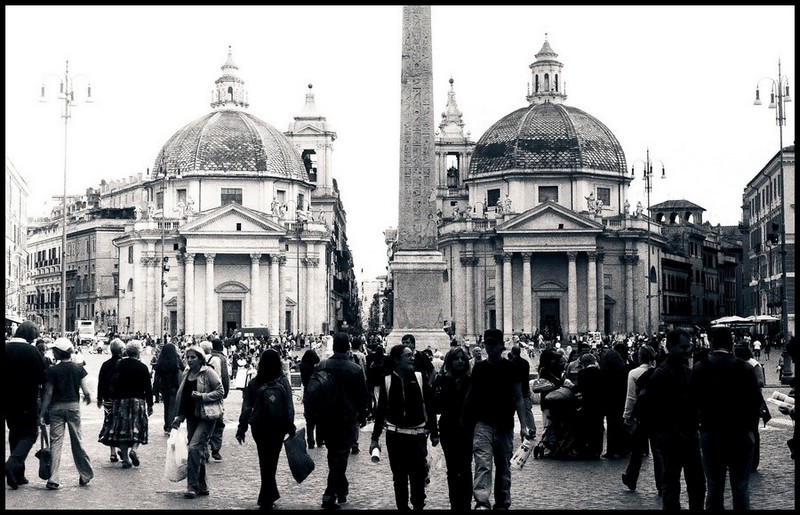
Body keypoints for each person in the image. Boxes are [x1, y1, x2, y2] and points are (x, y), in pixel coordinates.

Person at [690, 326, 761, 510]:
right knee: (740, 488)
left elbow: (691, 402)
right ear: (731, 344)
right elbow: (755, 403)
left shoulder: (699, 368)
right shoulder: (744, 368)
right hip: (740, 434)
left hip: (711, 433)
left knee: (714, 488)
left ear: (712, 343)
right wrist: (751, 431)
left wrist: (700, 428)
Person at [462, 329, 533, 510]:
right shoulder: (479, 367)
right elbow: (471, 396)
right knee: (482, 464)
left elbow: (518, 397)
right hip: (483, 423)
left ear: (501, 346)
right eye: (487, 343)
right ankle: (482, 501)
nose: (490, 347)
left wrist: (524, 425)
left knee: (503, 466)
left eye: (493, 344)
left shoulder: (512, 368)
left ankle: (502, 501)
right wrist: (465, 420)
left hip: (505, 424)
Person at [370, 342, 440, 510]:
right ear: (396, 360)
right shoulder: (387, 381)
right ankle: (402, 507)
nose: (412, 357)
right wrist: (374, 438)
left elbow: (430, 407)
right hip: (395, 437)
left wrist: (435, 432)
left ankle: (418, 505)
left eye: (412, 355)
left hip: (417, 435)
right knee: (399, 477)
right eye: (408, 356)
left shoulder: (419, 378)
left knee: (418, 476)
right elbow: (380, 413)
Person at [235, 348, 296, 510]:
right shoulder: (283, 381)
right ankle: (267, 494)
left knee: (264, 459)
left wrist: (242, 428)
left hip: (259, 427)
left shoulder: (254, 382)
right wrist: (290, 425)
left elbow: (246, 407)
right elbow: (289, 406)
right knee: (272, 459)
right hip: (278, 426)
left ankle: (267, 494)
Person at [315, 332, 370, 510]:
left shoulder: (322, 365)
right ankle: (330, 494)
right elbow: (362, 395)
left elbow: (314, 390)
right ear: (347, 347)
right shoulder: (355, 369)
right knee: (340, 455)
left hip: (326, 417)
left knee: (334, 454)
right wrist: (362, 416)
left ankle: (342, 488)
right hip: (346, 418)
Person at [38, 337, 94, 490]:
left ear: (58, 353)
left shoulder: (52, 370)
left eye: (54, 350)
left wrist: (42, 413)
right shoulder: (78, 368)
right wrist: (88, 397)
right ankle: (85, 474)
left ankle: (53, 477)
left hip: (56, 408)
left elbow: (48, 392)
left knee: (56, 443)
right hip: (73, 407)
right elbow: (85, 389)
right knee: (77, 441)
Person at [171, 345, 225, 499]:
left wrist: (203, 396)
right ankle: (202, 486)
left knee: (194, 448)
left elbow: (220, 391)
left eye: (193, 357)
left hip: (207, 416)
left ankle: (192, 486)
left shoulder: (208, 372)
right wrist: (179, 416)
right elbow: (184, 398)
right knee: (197, 450)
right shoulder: (187, 373)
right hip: (191, 417)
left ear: (200, 358)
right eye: (187, 357)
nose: (189, 360)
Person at [4, 321, 47, 490]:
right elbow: (42, 377)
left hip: (7, 401)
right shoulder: (32, 351)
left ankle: (17, 475)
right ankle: (11, 464)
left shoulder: (5, 348)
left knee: (14, 433)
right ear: (31, 335)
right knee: (29, 434)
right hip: (26, 399)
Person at [430, 346, 473, 510]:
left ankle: (466, 503)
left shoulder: (470, 381)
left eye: (463, 358)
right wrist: (434, 433)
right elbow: (433, 408)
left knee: (466, 467)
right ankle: (455, 503)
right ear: (450, 361)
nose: (460, 361)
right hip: (448, 429)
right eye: (457, 358)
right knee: (453, 469)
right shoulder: (441, 380)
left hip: (467, 430)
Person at [100, 341, 154, 468]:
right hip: (137, 400)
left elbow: (110, 381)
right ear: (139, 352)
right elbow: (148, 387)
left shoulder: (119, 364)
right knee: (137, 427)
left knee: (122, 429)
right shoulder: (142, 367)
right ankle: (134, 450)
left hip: (120, 400)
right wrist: (150, 404)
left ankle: (125, 458)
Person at [621, 345, 663, 494]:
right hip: (658, 415)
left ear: (639, 357)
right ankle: (661, 485)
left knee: (637, 449)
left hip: (642, 415)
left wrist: (627, 416)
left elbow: (631, 397)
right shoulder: (660, 371)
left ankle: (631, 478)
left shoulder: (634, 373)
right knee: (657, 451)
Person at [574, 352, 604, 459]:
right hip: (599, 404)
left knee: (587, 426)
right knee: (598, 426)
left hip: (587, 404)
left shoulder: (582, 373)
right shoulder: (601, 372)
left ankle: (586, 449)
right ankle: (597, 450)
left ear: (584, 363)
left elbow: (581, 389)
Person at [204, 338, 230, 462]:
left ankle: (204, 448)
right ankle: (215, 449)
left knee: (203, 419)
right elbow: (225, 377)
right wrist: (225, 392)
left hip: (202, 393)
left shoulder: (200, 358)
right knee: (218, 421)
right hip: (216, 393)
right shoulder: (221, 358)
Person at [152, 342, 184, 435]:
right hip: (174, 386)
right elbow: (183, 368)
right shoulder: (176, 359)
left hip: (164, 387)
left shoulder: (161, 361)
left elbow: (157, 377)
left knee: (166, 407)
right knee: (172, 407)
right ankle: (170, 426)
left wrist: (155, 390)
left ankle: (167, 426)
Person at [508, 346, 535, 441]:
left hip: (513, 392)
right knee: (527, 411)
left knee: (510, 412)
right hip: (525, 389)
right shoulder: (526, 362)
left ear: (512, 352)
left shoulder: (510, 363)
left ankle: (509, 431)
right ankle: (532, 429)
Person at [299, 348, 322, 448]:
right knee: (319, 418)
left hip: (307, 392)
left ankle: (310, 442)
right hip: (318, 393)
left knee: (309, 420)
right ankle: (320, 440)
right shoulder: (315, 368)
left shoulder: (302, 366)